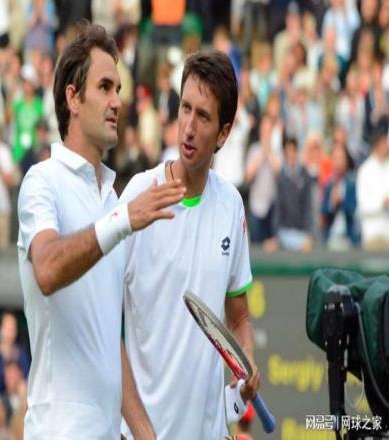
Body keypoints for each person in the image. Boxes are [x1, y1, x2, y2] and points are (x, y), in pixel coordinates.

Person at [17, 22, 185, 439]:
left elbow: (108, 343)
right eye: (105, 87)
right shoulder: (42, 181)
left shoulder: (110, 200)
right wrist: (124, 219)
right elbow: (47, 269)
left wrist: (146, 434)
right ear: (72, 98)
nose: (116, 102)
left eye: (119, 89)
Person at [119, 50, 260, 440]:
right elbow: (103, 329)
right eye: (185, 109)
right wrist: (142, 432)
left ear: (224, 133)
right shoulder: (138, 195)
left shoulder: (231, 205)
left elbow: (239, 318)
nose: (189, 128)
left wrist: (247, 359)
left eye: (203, 116)